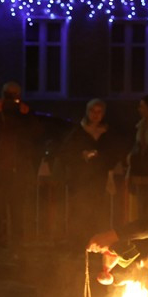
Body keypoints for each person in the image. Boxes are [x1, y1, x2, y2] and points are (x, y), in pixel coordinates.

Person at [0, 81, 41, 256]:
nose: (12, 98)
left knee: (17, 211)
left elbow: (37, 133)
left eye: (15, 95)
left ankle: (17, 247)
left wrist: (27, 115)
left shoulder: (24, 114)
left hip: (18, 171)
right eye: (8, 94)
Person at [58, 98, 121, 241]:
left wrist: (101, 158)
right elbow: (65, 152)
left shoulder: (108, 133)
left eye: (99, 112)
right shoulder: (77, 132)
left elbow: (114, 154)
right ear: (87, 112)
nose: (95, 115)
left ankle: (94, 243)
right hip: (80, 179)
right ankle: (77, 243)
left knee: (97, 211)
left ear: (103, 114)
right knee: (78, 211)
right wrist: (81, 155)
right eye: (92, 111)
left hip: (99, 179)